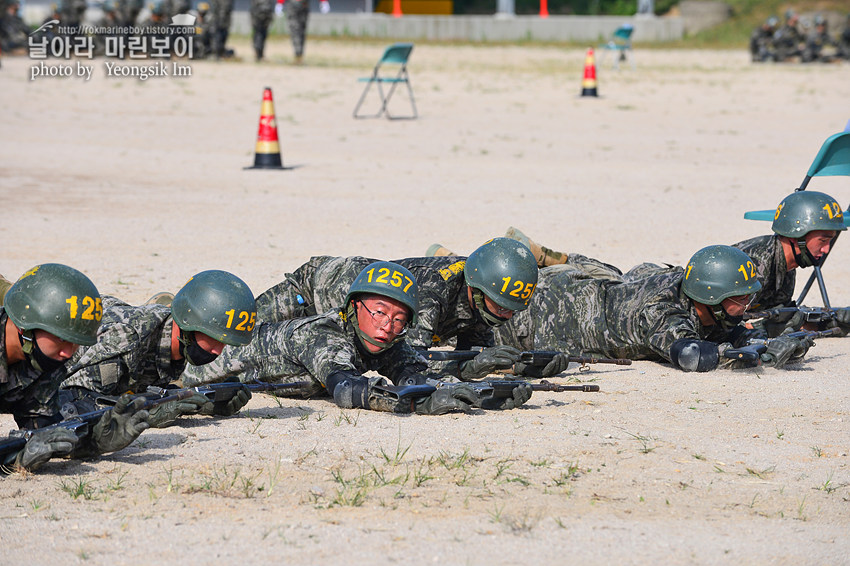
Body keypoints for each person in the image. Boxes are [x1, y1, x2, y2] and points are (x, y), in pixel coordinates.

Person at [469, 190, 847, 335]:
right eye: (823, 239)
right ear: (797, 233)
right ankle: (533, 260)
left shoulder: (785, 265)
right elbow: (722, 304)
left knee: (609, 278)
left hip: (659, 285)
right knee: (594, 285)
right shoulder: (757, 263)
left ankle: (549, 257)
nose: (827, 249)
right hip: (661, 286)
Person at [183, 262, 532, 415]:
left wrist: (486, 394)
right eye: (379, 312)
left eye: (398, 319)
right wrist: (417, 404)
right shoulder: (324, 335)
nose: (387, 326)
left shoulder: (386, 343)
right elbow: (348, 389)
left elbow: (422, 375)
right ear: (353, 307)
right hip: (194, 367)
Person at [254, 238, 555, 379]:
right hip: (313, 289)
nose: (506, 315)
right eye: (500, 305)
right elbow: (411, 360)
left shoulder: (480, 295)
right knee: (239, 333)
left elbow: (473, 353)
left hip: (350, 322)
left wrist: (519, 365)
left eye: (512, 309)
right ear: (475, 290)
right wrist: (472, 367)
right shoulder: (432, 291)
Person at [493, 245, 815, 372]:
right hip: (550, 315)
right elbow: (692, 356)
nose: (746, 305)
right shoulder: (662, 313)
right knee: (485, 319)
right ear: (710, 297)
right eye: (739, 298)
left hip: (589, 287)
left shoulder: (689, 285)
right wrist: (761, 354)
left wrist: (764, 341)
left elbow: (732, 330)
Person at [1, 264, 150, 472]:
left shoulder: (42, 360)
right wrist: (13, 459)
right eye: (61, 339)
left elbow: (44, 431)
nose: (68, 353)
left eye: (76, 342)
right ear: (24, 323)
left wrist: (93, 441)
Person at [60, 270, 257, 428]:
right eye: (214, 338)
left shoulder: (173, 342)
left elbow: (139, 390)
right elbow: (71, 402)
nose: (218, 351)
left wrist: (205, 404)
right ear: (189, 322)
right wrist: (145, 412)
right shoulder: (128, 339)